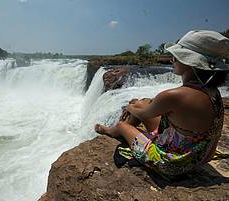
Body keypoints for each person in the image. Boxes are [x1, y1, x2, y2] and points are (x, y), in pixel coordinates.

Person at [95, 30, 229, 176]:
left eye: (176, 56)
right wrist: (136, 104)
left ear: (190, 63)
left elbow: (141, 113)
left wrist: (128, 106)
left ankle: (112, 131)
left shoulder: (173, 96)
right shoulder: (212, 91)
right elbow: (147, 108)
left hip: (174, 162)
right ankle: (129, 129)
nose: (172, 60)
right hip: (200, 154)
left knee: (123, 124)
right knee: (139, 103)